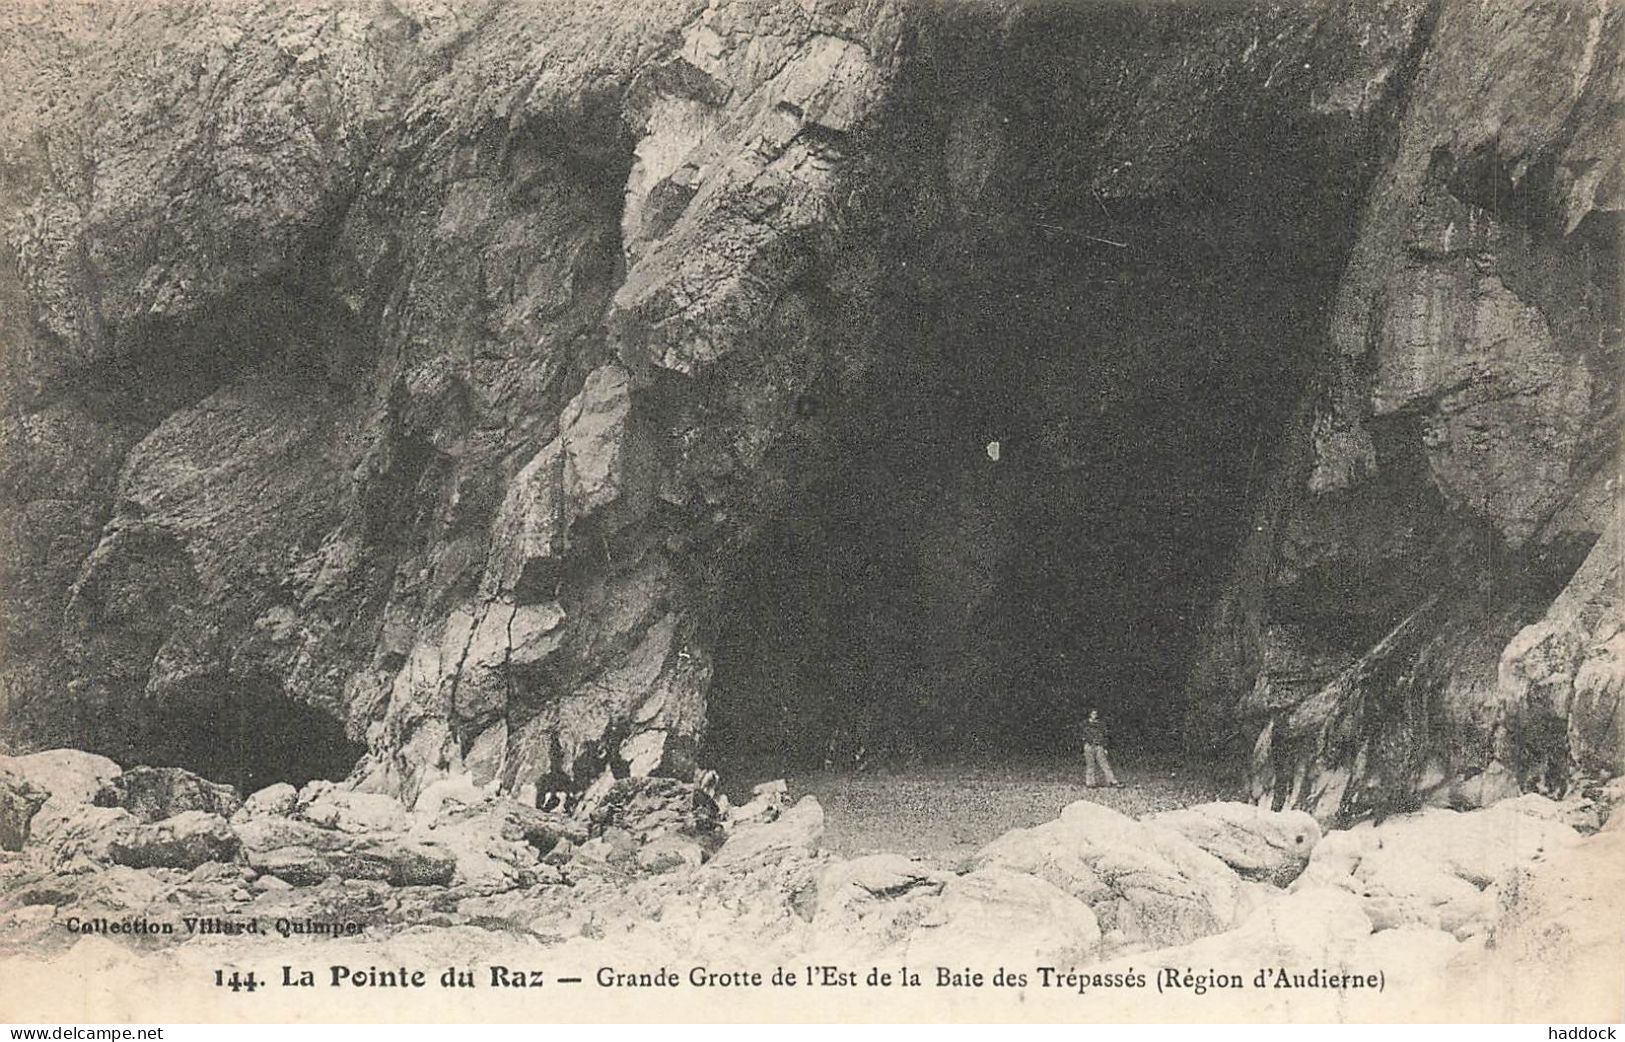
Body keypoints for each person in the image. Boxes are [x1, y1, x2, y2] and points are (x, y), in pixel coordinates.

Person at [1080, 708, 1120, 788]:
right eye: (1093, 714)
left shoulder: (1100, 724)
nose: (1094, 715)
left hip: (1099, 746)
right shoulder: (1085, 724)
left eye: (1095, 714)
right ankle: (1090, 782)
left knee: (1104, 764)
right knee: (1090, 765)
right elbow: (1083, 735)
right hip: (1089, 746)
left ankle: (1112, 780)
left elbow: (1104, 736)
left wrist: (1105, 747)